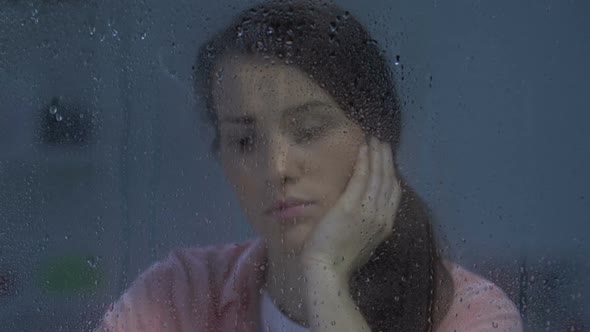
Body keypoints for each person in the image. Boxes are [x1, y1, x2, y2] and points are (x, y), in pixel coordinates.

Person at [95, 1, 523, 331]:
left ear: (379, 137)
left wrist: (326, 282)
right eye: (245, 141)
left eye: (309, 130)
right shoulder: (175, 296)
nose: (276, 168)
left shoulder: (468, 311)